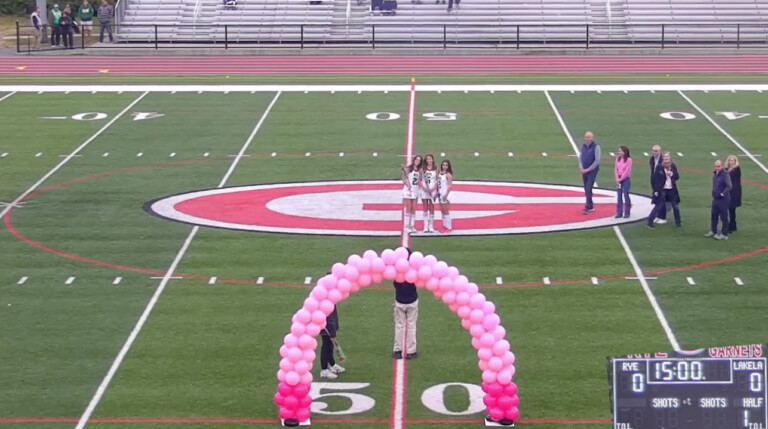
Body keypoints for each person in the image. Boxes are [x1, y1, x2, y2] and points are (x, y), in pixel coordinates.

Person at [393, 250, 418, 360]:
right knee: (411, 326)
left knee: (399, 325)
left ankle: (397, 350)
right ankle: (411, 351)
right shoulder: (413, 270)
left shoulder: (396, 270)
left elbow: (395, 283)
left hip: (400, 301)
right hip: (412, 300)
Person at [647, 152, 681, 228]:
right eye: (664, 157)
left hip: (671, 189)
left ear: (669, 158)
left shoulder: (673, 165)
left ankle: (678, 223)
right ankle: (650, 221)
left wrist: (672, 174)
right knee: (658, 205)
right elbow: (656, 178)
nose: (666, 158)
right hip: (662, 189)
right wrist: (655, 190)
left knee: (675, 206)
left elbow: (677, 176)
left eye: (667, 157)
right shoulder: (659, 167)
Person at [706, 160, 732, 240]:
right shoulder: (715, 175)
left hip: (723, 199)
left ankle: (724, 234)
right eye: (715, 166)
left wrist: (722, 194)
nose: (717, 168)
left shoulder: (725, 174)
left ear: (721, 166)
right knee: (714, 215)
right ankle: (713, 231)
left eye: (718, 166)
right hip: (716, 198)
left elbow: (729, 186)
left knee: (724, 217)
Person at [320, 303, 345, 379]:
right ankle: (324, 370)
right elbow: (329, 318)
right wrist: (332, 333)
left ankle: (332, 364)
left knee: (329, 345)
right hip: (326, 327)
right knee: (326, 346)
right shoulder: (327, 302)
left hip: (326, 326)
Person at [579, 131, 601, 215]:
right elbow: (580, 157)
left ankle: (588, 207)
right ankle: (590, 205)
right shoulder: (583, 146)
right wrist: (581, 168)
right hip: (584, 170)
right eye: (586, 137)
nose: (587, 139)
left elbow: (597, 160)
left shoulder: (596, 147)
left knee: (588, 187)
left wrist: (588, 169)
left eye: (588, 137)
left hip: (592, 171)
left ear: (592, 137)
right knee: (586, 188)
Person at [401, 155, 422, 233]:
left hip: (415, 190)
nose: (417, 161)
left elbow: (420, 179)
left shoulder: (420, 170)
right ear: (414, 160)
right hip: (408, 190)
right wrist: (407, 184)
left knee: (413, 209)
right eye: (416, 159)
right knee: (408, 208)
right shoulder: (409, 168)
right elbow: (404, 178)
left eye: (419, 160)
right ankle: (406, 227)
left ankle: (412, 226)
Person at [649, 144, 667, 224]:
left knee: (662, 199)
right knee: (656, 198)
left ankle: (663, 217)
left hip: (661, 181)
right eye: (653, 151)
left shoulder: (663, 160)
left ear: (660, 151)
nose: (655, 152)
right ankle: (658, 216)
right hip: (654, 180)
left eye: (656, 151)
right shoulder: (652, 159)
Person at [420, 154, 438, 233]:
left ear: (433, 159)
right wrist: (424, 188)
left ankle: (431, 226)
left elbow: (437, 180)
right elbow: (419, 180)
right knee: (425, 208)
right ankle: (425, 226)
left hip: (432, 190)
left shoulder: (436, 169)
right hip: (424, 190)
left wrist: (434, 188)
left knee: (431, 208)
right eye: (427, 159)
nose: (429, 161)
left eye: (430, 159)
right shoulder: (422, 169)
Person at [614, 145, 632, 218]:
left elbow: (627, 171)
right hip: (619, 179)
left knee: (625, 194)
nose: (619, 152)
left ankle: (627, 212)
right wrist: (616, 178)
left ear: (625, 152)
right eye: (619, 151)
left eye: (621, 151)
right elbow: (615, 169)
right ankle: (619, 212)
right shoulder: (617, 159)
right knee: (619, 195)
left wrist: (620, 179)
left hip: (625, 179)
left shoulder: (628, 160)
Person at [725, 155, 741, 233]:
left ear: (735, 162)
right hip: (728, 192)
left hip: (734, 192)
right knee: (729, 209)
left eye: (732, 161)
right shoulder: (726, 169)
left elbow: (731, 179)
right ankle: (732, 225)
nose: (731, 162)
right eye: (730, 160)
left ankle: (731, 226)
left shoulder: (736, 169)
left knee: (731, 209)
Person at [437, 159, 453, 232]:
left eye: (446, 165)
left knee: (446, 211)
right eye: (443, 165)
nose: (444, 166)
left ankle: (448, 227)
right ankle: (444, 226)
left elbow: (449, 185)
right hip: (440, 194)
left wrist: (446, 195)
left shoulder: (448, 175)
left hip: (445, 194)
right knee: (442, 211)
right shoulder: (440, 173)